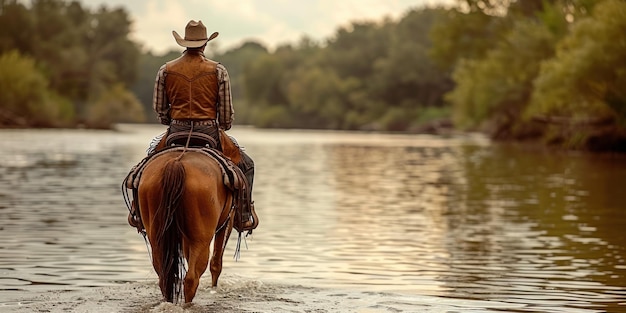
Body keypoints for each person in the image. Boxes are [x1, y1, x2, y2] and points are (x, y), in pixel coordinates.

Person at [127, 20, 258, 233]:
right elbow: (225, 115)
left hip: (175, 131)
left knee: (148, 159)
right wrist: (222, 125)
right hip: (209, 132)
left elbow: (160, 109)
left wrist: (171, 120)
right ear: (205, 45)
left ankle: (138, 212)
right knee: (247, 165)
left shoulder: (165, 70)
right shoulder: (218, 71)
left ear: (184, 43)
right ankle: (243, 216)